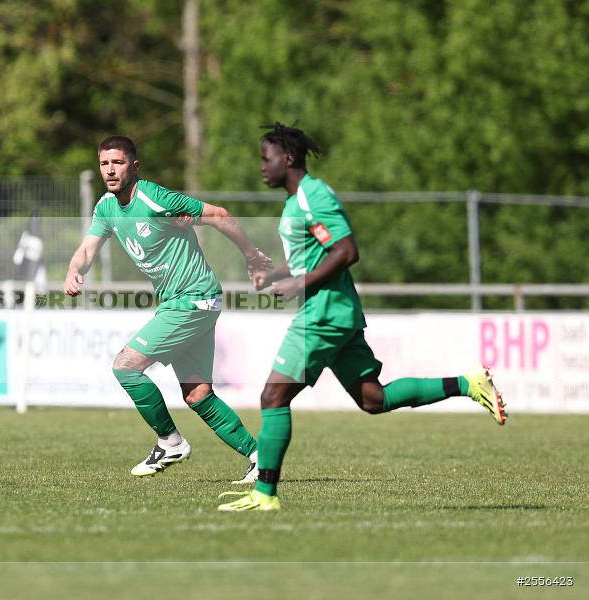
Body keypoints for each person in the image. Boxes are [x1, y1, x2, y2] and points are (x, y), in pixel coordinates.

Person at [216, 123, 506, 512]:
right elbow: (317, 253)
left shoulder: (312, 197)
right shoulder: (294, 203)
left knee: (273, 396)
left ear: (287, 159)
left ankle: (265, 494)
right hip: (336, 313)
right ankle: (468, 383)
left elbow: (347, 250)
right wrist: (277, 274)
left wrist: (300, 283)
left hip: (324, 314)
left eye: (265, 159)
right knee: (374, 398)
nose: (261, 167)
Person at [64, 135, 271, 482]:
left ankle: (170, 441)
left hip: (192, 299)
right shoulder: (106, 207)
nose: (110, 170)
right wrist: (74, 269)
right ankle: (261, 459)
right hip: (184, 302)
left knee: (126, 367)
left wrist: (251, 256)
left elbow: (218, 214)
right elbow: (86, 250)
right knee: (197, 394)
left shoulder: (154, 198)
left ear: (134, 165)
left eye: (118, 162)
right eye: (104, 163)